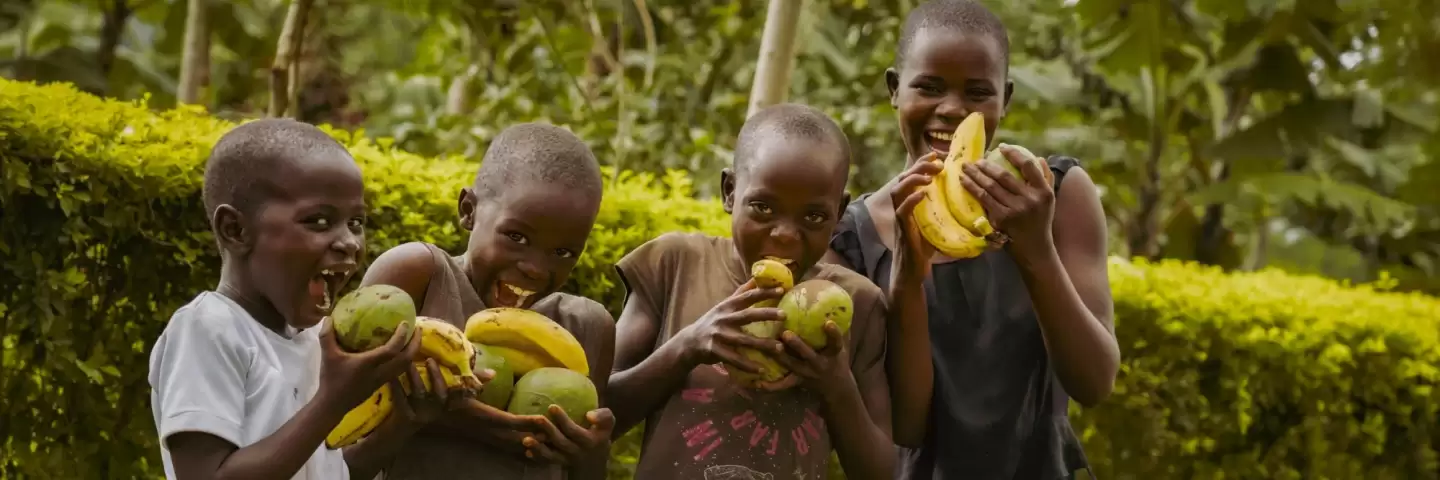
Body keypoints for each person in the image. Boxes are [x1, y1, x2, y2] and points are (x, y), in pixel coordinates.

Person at [824, 1, 1121, 478]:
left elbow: (1094, 382)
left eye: (978, 92)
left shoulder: (1057, 194)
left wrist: (1035, 250)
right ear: (894, 89)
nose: (953, 109)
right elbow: (905, 425)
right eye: (929, 86)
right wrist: (905, 279)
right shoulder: (852, 238)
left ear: (1004, 99)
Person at [148, 118, 456, 480]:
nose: (350, 243)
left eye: (356, 223)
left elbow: (331, 473)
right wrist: (332, 401)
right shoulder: (208, 329)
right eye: (320, 221)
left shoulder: (317, 341)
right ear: (236, 230)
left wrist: (403, 423)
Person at [610, 103, 895, 480]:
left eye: (813, 216)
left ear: (839, 211)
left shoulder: (857, 302)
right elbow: (600, 414)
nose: (785, 235)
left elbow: (885, 472)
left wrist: (837, 386)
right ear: (730, 192)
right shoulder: (676, 265)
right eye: (762, 207)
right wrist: (688, 346)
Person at [359, 122, 616, 480]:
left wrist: (591, 454)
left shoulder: (586, 328)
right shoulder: (419, 277)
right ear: (468, 210)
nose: (536, 269)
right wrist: (468, 421)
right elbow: (342, 427)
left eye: (563, 252)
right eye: (517, 236)